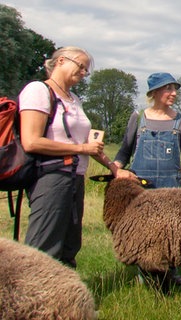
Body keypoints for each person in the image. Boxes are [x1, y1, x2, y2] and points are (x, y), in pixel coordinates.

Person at [18, 46, 133, 268]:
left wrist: (114, 168)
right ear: (61, 60)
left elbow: (88, 145)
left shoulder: (73, 99)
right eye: (81, 67)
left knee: (70, 246)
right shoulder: (39, 90)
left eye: (86, 71)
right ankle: (32, 298)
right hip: (51, 177)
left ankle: (66, 298)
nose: (83, 73)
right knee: (44, 246)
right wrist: (81, 150)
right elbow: (31, 141)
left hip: (74, 178)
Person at [113, 72, 181, 284]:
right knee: (144, 231)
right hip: (141, 187)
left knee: (173, 230)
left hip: (171, 186)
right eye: (169, 88)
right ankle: (145, 274)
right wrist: (115, 170)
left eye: (175, 89)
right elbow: (124, 152)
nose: (174, 93)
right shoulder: (138, 118)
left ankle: (172, 274)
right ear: (155, 92)